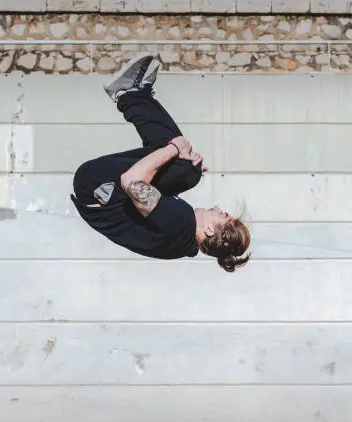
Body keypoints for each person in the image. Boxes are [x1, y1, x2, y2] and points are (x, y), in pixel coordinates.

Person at [71, 54, 251, 272]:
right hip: (103, 194)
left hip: (96, 186)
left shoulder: (179, 223)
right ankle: (133, 95)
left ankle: (128, 94)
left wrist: (173, 149)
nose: (217, 208)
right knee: (186, 170)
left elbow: (130, 181)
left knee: (184, 166)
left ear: (211, 230)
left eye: (222, 214)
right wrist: (176, 170)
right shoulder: (183, 241)